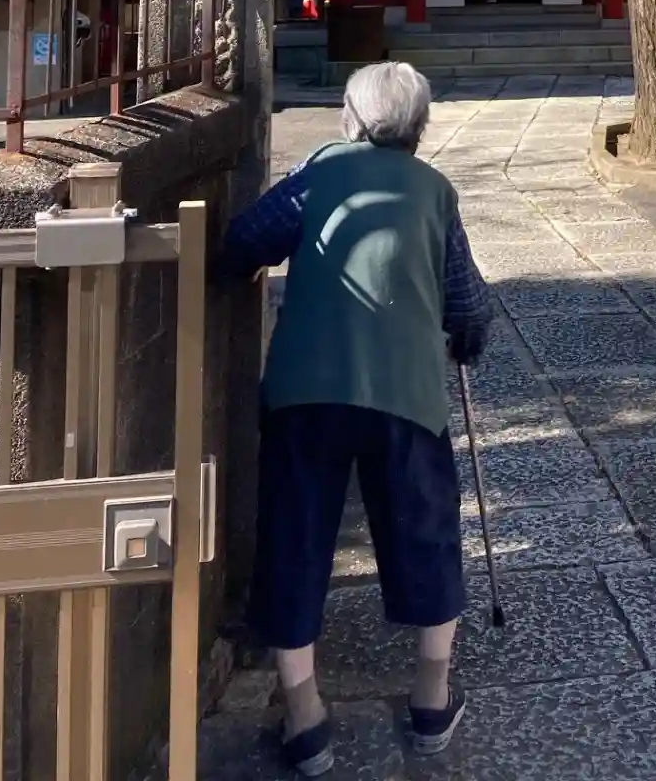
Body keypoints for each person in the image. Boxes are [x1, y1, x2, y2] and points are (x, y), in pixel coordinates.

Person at [214, 60, 493, 776]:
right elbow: (466, 300)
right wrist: (467, 336)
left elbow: (245, 241)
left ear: (351, 117)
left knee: (295, 534)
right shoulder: (435, 190)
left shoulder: (319, 173)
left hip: (308, 390)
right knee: (425, 529)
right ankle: (431, 696)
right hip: (406, 393)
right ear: (419, 127)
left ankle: (305, 715)